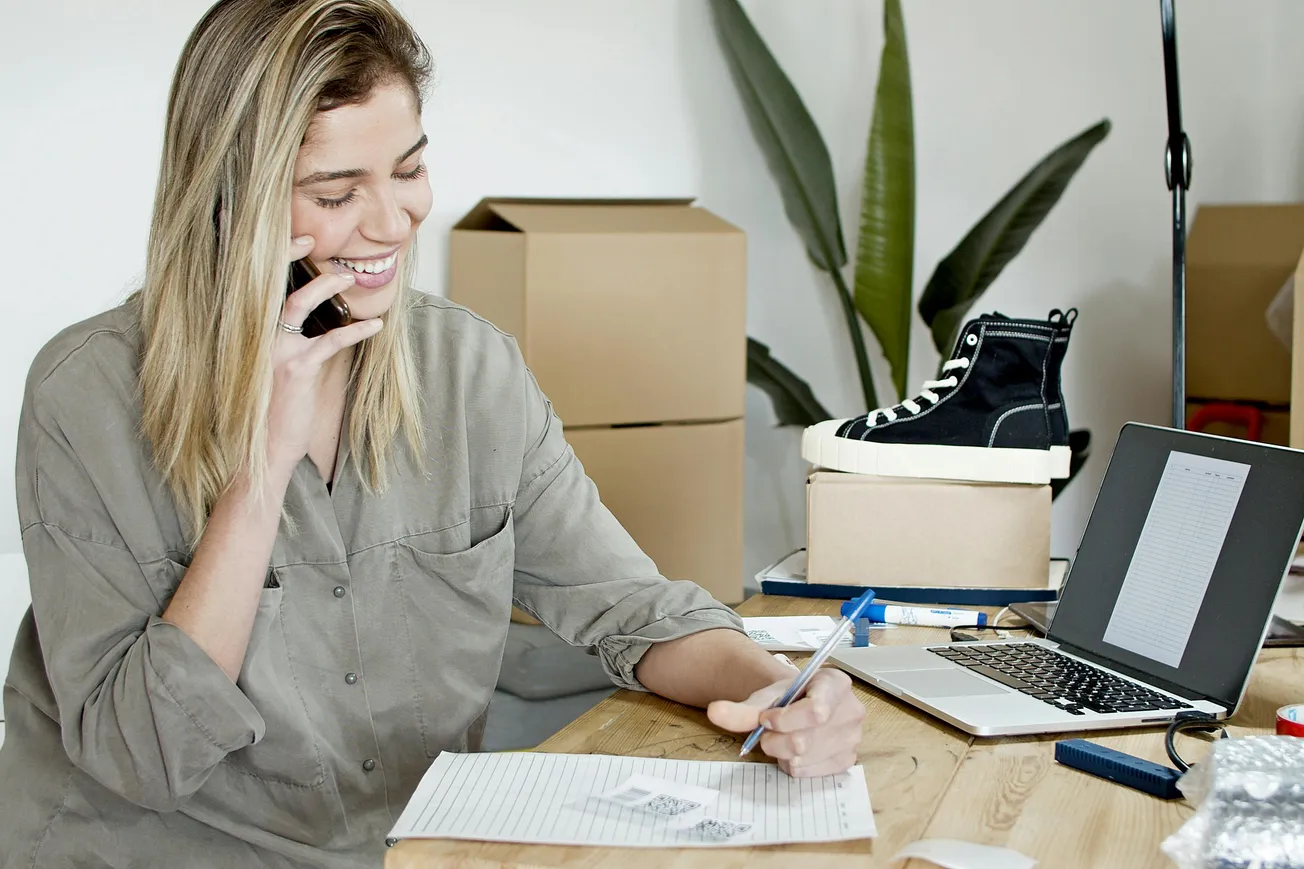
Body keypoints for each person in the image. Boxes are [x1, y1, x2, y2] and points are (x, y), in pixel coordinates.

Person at [0, 1, 866, 866]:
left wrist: (785, 691)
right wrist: (261, 471)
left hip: (409, 850)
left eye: (409, 170)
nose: (393, 221)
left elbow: (632, 608)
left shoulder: (470, 371)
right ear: (232, 198)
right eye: (336, 193)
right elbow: (139, 757)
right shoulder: (85, 396)